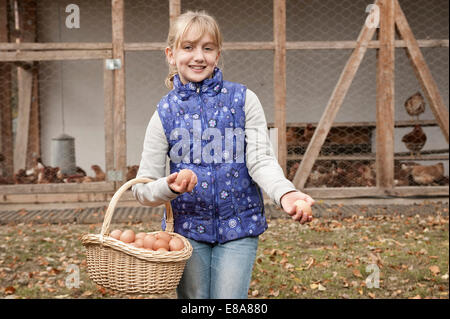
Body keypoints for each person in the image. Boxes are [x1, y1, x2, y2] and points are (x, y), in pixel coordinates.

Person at [132, 10, 315, 299]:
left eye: (208, 48)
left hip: (240, 225)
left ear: (218, 55)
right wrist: (168, 186)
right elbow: (142, 189)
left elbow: (260, 160)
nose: (198, 57)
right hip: (187, 231)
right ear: (171, 54)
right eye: (188, 47)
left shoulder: (244, 100)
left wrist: (285, 193)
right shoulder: (163, 114)